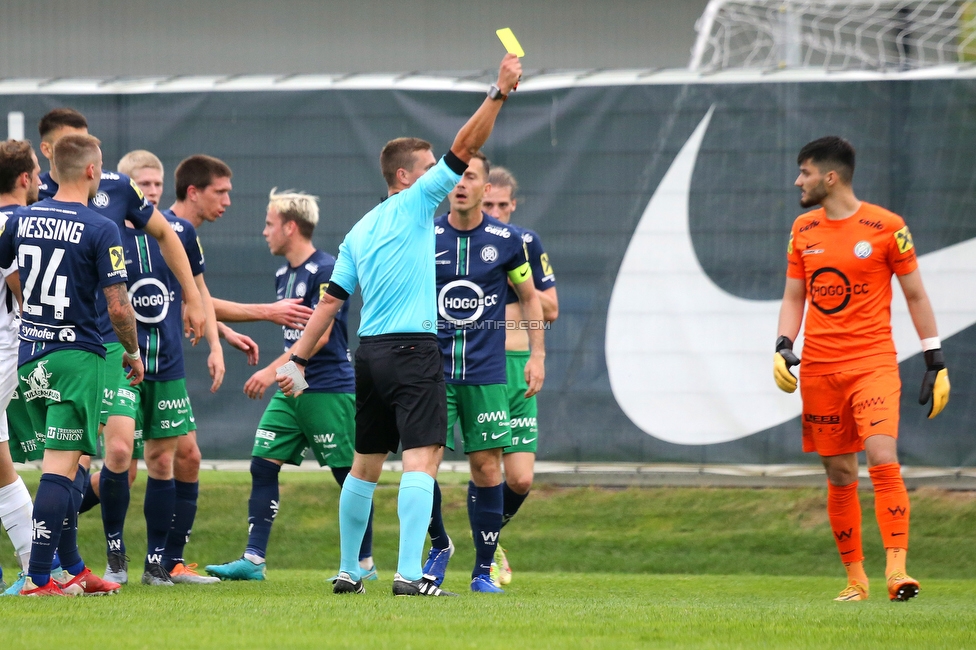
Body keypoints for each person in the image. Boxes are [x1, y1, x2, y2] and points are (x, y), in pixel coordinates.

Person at [277, 53, 523, 597]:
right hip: (413, 352)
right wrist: (498, 93)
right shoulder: (416, 204)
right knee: (422, 458)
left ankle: (348, 569)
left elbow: (331, 304)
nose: (445, 172)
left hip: (369, 355)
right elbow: (465, 146)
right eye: (431, 165)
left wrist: (296, 357)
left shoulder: (359, 231)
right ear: (407, 177)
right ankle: (410, 575)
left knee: (365, 465)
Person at [774, 136, 950, 602]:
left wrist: (935, 359)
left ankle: (898, 572)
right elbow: (795, 296)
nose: (798, 181)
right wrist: (782, 345)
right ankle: (856, 581)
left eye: (805, 172)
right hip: (818, 370)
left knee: (882, 458)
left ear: (829, 177)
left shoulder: (886, 227)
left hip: (872, 363)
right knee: (839, 476)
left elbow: (915, 295)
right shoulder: (802, 229)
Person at [35, 109, 208, 583]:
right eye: (74, 143)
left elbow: (166, 232)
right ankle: (66, 561)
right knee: (81, 458)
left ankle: (125, 563)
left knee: (119, 450)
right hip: (55, 344)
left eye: (87, 142)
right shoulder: (35, 197)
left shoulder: (114, 187)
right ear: (50, 151)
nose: (85, 154)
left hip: (111, 343)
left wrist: (193, 299)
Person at [0, 133, 145, 596]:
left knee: (60, 464)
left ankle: (74, 570)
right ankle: (39, 578)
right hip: (77, 357)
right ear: (90, 171)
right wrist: (133, 352)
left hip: (30, 355)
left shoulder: (21, 220)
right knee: (63, 467)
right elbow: (119, 308)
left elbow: (10, 273)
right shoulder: (102, 228)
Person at [205, 189, 373, 580]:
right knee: (263, 464)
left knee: (349, 475)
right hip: (292, 387)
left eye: (269, 224)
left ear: (290, 227)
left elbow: (324, 336)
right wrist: (283, 372)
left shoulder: (326, 268)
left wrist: (269, 371)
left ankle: (364, 564)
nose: (265, 232)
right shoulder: (284, 274)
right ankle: (253, 561)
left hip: (327, 389)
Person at [422, 153, 545, 593]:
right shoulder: (425, 232)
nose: (460, 183)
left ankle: (481, 572)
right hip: (432, 373)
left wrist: (537, 355)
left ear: (484, 187)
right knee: (423, 467)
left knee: (487, 468)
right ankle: (437, 550)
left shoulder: (508, 240)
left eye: (469, 176)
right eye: (454, 176)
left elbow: (532, 298)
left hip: (487, 373)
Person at [100, 152, 225, 586]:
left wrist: (215, 343)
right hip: (118, 358)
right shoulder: (105, 231)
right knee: (117, 455)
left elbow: (200, 295)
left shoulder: (179, 232)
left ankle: (160, 563)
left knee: (165, 459)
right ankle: (114, 556)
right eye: (143, 186)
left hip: (167, 362)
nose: (151, 193)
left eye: (155, 185)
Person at [479, 165, 558, 585]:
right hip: (483, 365)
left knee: (522, 478)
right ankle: (486, 552)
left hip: (520, 363)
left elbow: (551, 308)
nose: (494, 211)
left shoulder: (524, 244)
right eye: (487, 203)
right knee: (485, 462)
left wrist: (515, 282)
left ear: (513, 205)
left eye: (501, 206)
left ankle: (487, 537)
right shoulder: (468, 244)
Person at [0, 140, 40, 595]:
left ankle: (39, 571)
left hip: (7, 352)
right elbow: (27, 294)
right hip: (10, 347)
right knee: (2, 467)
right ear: (26, 179)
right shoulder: (21, 224)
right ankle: (36, 569)